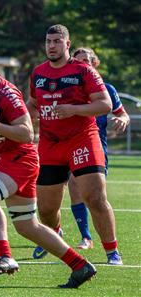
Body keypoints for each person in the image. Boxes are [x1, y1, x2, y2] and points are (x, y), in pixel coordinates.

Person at [0, 40, 95, 288]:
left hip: (21, 157)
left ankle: (5, 257)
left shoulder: (5, 92)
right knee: (27, 226)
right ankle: (80, 266)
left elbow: (27, 133)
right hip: (5, 159)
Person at [27, 24, 122, 265]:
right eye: (48, 41)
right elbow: (32, 104)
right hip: (50, 144)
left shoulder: (84, 71)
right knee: (46, 208)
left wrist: (73, 110)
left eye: (57, 41)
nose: (51, 46)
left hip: (82, 140)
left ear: (67, 44)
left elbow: (105, 105)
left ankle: (112, 252)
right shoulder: (38, 73)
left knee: (94, 197)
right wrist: (28, 122)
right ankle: (55, 235)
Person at [67, 48, 130, 250]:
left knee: (95, 198)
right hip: (70, 147)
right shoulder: (67, 89)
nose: (83, 64)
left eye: (87, 60)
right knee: (73, 187)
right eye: (79, 61)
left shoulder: (107, 90)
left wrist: (122, 120)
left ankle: (110, 245)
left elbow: (124, 114)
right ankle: (85, 237)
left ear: (95, 64)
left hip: (97, 150)